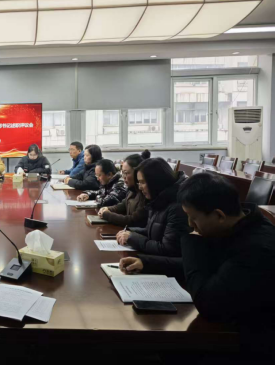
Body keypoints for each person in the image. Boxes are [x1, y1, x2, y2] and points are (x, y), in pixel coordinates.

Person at [121, 173, 275, 360]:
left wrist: (191, 240)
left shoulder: (256, 249)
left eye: (193, 217)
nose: (189, 224)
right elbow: (208, 266)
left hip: (244, 345)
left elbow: (208, 303)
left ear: (219, 215)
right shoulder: (237, 225)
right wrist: (147, 262)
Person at [116, 157, 191, 258]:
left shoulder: (177, 207)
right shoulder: (156, 198)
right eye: (139, 182)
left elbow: (167, 249)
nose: (139, 187)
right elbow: (151, 231)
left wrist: (132, 238)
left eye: (142, 182)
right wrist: (130, 232)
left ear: (155, 181)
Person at [98, 151, 151, 227]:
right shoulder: (132, 190)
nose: (124, 177)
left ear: (137, 173)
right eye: (123, 173)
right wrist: (108, 209)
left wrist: (107, 215)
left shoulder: (145, 194)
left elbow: (133, 220)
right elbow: (122, 205)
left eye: (126, 173)